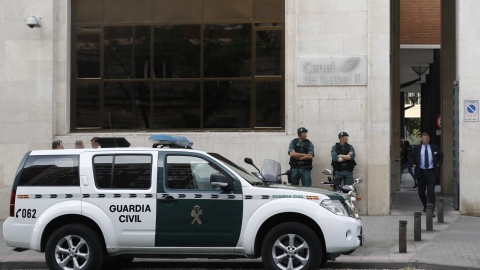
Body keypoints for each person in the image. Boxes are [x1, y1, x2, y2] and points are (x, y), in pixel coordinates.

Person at [408, 132, 444, 217]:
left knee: (431, 192)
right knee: (421, 192)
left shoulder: (434, 147)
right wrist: (412, 164)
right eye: (424, 139)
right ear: (421, 139)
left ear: (429, 139)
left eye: (427, 139)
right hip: (421, 172)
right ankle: (425, 205)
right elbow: (409, 156)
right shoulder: (417, 148)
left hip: (431, 172)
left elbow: (441, 155)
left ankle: (430, 211)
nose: (425, 140)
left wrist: (439, 163)